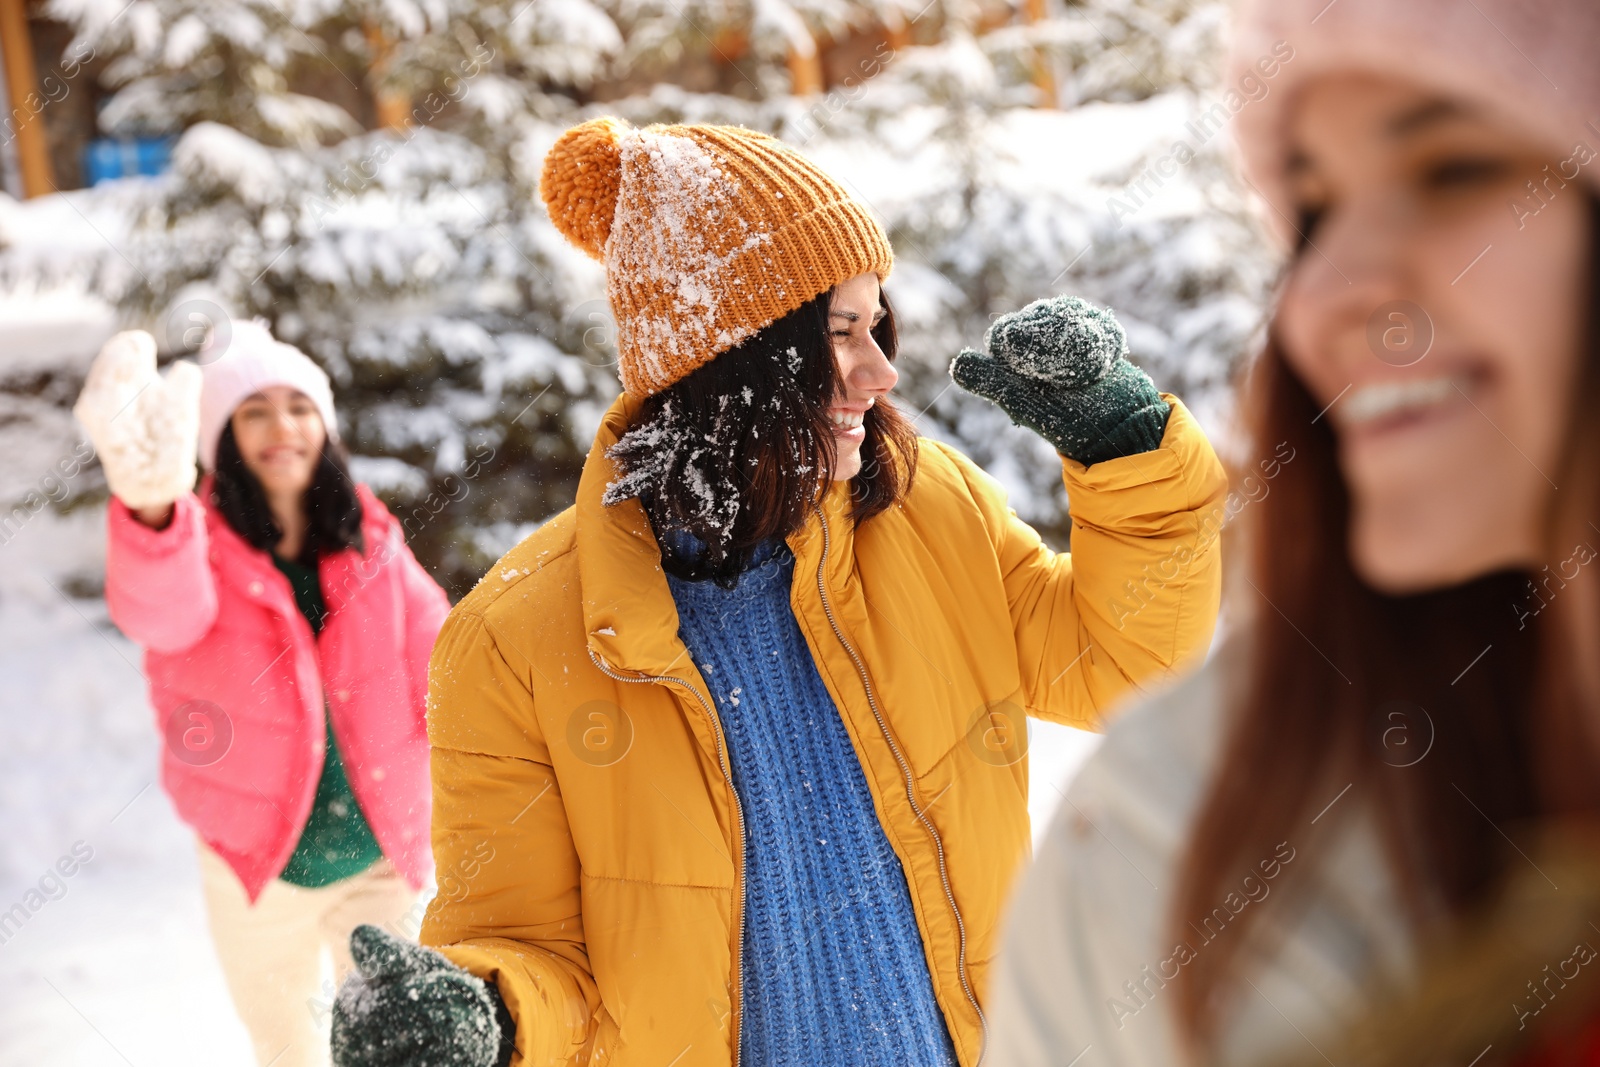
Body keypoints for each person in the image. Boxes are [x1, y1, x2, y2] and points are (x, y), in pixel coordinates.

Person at [329, 116, 1227, 1067]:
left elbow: (1125, 665)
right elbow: (527, 947)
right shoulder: (515, 642)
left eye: (878, 326)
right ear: (730, 361)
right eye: (840, 333)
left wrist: (1126, 448)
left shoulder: (928, 510)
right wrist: (484, 1010)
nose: (881, 373)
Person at [985, 0, 1600, 1064]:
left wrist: (1125, 454)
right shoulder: (1158, 844)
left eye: (1453, 167)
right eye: (1311, 210)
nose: (1313, 297)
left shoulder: (933, 512)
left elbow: (1106, 654)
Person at [74, 320, 451, 1067]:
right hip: (256, 869)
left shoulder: (372, 536)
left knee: (403, 1049)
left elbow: (445, 655)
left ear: (326, 424)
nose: (283, 426)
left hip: (381, 859)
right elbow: (160, 612)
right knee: (287, 1050)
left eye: (299, 405)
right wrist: (152, 508)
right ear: (220, 437)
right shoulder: (195, 543)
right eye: (254, 411)